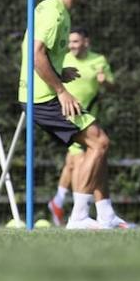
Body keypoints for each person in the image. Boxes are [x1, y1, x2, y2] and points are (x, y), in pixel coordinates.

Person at [18, 0, 114, 230]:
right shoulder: (55, 12)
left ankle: (105, 214)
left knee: (97, 144)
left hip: (41, 93)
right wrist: (61, 91)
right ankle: (79, 216)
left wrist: (60, 74)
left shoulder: (56, 9)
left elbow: (41, 54)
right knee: (100, 142)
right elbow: (35, 54)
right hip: (43, 97)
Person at [48, 27, 134, 229]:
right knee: (80, 161)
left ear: (86, 42)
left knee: (92, 160)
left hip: (88, 118)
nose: (72, 46)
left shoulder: (98, 61)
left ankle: (99, 212)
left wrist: (106, 83)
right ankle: (79, 214)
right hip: (67, 118)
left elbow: (113, 87)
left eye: (76, 42)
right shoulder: (63, 59)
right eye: (70, 42)